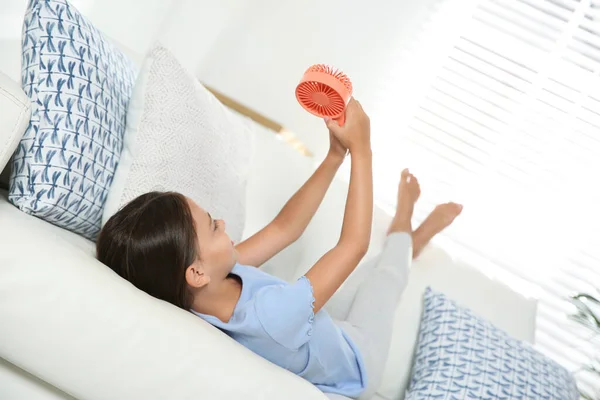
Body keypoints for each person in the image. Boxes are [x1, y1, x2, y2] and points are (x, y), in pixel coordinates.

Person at [96, 99, 462, 399]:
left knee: (357, 286)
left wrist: (336, 155)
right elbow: (353, 245)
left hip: (325, 333)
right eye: (212, 225)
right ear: (196, 272)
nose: (222, 222)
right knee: (385, 279)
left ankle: (407, 238)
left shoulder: (209, 292)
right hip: (360, 361)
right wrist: (363, 150)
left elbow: (284, 228)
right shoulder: (271, 318)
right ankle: (408, 229)